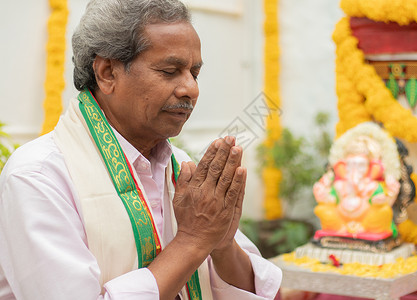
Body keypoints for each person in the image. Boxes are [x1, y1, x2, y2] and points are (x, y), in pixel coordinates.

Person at [0, 0, 282, 299]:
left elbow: (263, 292)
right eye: (170, 71)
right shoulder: (38, 176)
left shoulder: (181, 167)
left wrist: (222, 244)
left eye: (194, 73)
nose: (191, 89)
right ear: (107, 73)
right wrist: (193, 240)